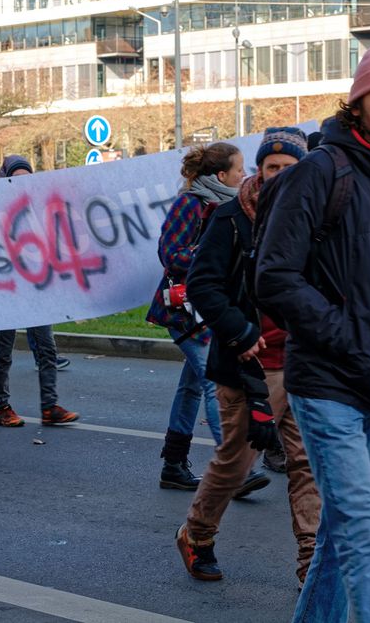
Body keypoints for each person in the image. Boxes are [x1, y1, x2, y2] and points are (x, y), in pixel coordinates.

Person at [258, 46, 370, 622]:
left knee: (336, 540)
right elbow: (274, 277)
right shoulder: (319, 171)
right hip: (327, 381)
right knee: (363, 534)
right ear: (356, 102)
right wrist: (345, 334)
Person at [178, 127, 319, 585]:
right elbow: (202, 284)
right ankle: (197, 535)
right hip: (250, 365)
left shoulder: (314, 216)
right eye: (272, 168)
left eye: (289, 169)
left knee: (306, 465)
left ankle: (310, 562)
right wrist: (239, 331)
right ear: (261, 170)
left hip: (302, 362)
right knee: (237, 462)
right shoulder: (231, 216)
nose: (280, 177)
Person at [147, 142, 243, 489]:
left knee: (191, 386)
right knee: (214, 384)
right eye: (239, 170)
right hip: (183, 311)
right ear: (221, 175)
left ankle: (173, 464)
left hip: (206, 310)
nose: (243, 175)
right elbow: (170, 254)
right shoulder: (191, 204)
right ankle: (233, 467)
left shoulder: (226, 206)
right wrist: (212, 256)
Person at [0, 155, 79, 428]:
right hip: (7, 289)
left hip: (37, 288)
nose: (23, 183)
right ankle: (2, 407)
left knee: (47, 348)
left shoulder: (40, 207)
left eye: (27, 177)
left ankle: (49, 406)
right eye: (16, 178)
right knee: (4, 352)